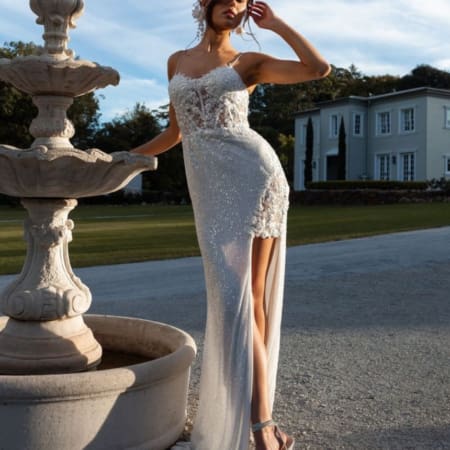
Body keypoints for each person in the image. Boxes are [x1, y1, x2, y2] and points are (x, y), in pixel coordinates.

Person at [131, 1, 330, 448]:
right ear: (205, 5)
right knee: (237, 300)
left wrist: (277, 25)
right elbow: (174, 134)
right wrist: (124, 159)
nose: (235, 7)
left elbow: (318, 69)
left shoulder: (249, 62)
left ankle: (259, 428)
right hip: (210, 190)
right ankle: (263, 423)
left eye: (243, 1)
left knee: (243, 299)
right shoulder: (176, 62)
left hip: (255, 178)